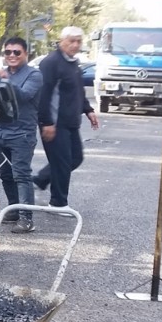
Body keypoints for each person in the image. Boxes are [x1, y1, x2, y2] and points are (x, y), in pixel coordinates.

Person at [34, 26, 100, 209]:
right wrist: (46, 122)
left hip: (71, 122)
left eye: (79, 41)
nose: (75, 45)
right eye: (72, 41)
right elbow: (44, 94)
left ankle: (39, 180)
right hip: (55, 122)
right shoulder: (51, 62)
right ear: (62, 41)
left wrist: (88, 110)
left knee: (75, 158)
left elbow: (77, 90)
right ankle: (58, 203)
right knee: (62, 162)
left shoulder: (72, 62)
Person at [0, 37, 43, 233]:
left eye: (17, 52)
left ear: (25, 54)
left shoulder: (34, 75)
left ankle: (26, 218)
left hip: (22, 133)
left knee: (21, 175)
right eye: (8, 52)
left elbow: (24, 96)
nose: (12, 55)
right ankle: (13, 209)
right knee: (5, 174)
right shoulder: (1, 74)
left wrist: (5, 81)